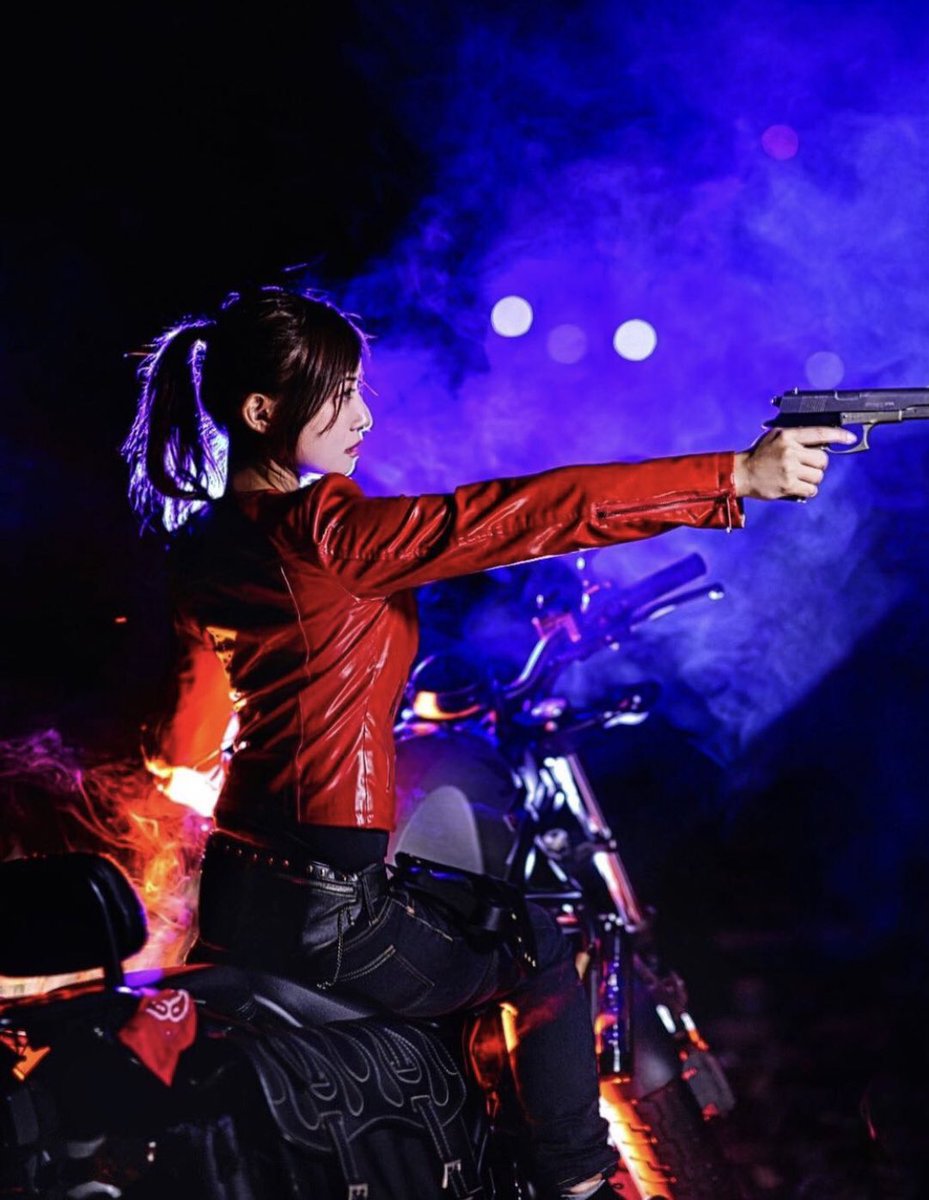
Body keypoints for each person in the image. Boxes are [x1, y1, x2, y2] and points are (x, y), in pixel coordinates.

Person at [122, 284, 853, 1200]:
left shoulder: (203, 548)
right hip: (328, 908)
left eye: (357, 389)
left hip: (236, 893)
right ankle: (577, 1179)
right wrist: (731, 476)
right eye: (337, 395)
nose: (361, 415)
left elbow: (184, 743)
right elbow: (523, 512)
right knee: (538, 943)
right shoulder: (328, 534)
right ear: (263, 412)